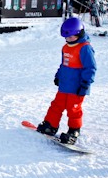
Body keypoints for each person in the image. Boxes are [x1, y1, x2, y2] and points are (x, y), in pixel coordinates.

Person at [36, 17, 97, 145]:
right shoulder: (65, 47)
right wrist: (58, 76)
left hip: (77, 87)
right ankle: (50, 125)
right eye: (66, 38)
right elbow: (64, 64)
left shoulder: (85, 48)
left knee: (73, 109)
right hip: (64, 86)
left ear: (79, 33)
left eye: (71, 37)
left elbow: (91, 68)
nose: (68, 40)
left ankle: (74, 130)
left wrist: (85, 84)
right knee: (56, 105)